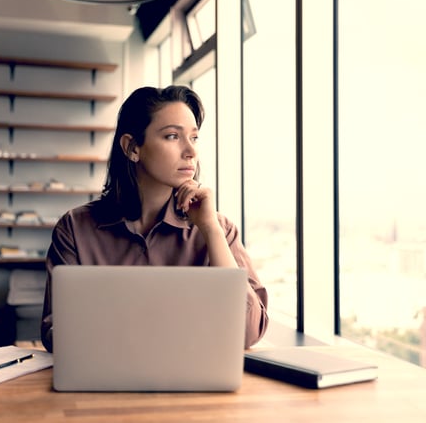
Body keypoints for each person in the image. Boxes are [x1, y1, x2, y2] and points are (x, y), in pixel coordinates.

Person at [41, 85, 268, 352]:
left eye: (193, 138)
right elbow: (56, 331)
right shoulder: (75, 229)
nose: (191, 152)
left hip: (195, 388)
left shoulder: (219, 229)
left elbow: (249, 332)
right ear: (132, 148)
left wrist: (210, 229)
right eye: (173, 136)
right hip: (103, 387)